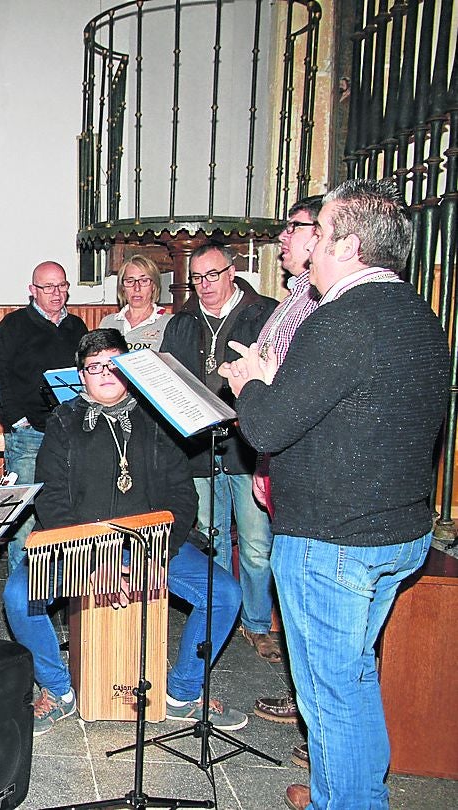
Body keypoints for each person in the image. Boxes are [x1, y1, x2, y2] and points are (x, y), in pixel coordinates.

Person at [221, 179, 448, 810]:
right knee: (353, 676)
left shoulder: (341, 319)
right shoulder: (417, 313)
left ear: (348, 246)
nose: (308, 246)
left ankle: (346, 801)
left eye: (318, 232)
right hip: (398, 531)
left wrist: (252, 382)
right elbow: (360, 411)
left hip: (335, 540)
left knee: (331, 693)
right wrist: (277, 382)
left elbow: (266, 428)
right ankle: (346, 791)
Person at [3, 329, 246, 736]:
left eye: (112, 365)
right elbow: (52, 499)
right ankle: (58, 690)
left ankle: (184, 692)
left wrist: (155, 556)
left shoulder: (159, 419)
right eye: (94, 367)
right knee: (17, 594)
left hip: (150, 543)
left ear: (130, 369)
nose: (104, 374)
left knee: (224, 594)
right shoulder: (63, 421)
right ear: (81, 376)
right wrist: (90, 560)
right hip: (78, 546)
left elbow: (183, 496)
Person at [159, 244, 277, 663]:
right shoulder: (182, 321)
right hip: (198, 448)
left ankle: (257, 623)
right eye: (197, 278)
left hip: (245, 447)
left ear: (232, 272)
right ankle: (219, 616)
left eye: (212, 275)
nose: (204, 285)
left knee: (255, 543)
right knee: (209, 536)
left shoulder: (264, 315)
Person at [248, 194, 323, 737]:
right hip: (278, 451)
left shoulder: (324, 306)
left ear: (323, 235)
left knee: (310, 592)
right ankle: (305, 699)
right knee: (293, 584)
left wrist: (251, 380)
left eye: (293, 227)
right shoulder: (295, 296)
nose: (282, 238)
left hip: (305, 462)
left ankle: (316, 726)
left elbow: (294, 387)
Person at [0, 260, 89, 571]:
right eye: (48, 287)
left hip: (70, 434)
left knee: (67, 511)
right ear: (32, 290)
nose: (56, 293)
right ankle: (20, 590)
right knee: (23, 518)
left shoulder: (77, 327)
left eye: (62, 286)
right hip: (28, 436)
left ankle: (61, 583)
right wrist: (17, 420)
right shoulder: (13, 326)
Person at [99, 254, 171, 350]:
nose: (137, 288)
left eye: (144, 281)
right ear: (122, 287)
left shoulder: (169, 323)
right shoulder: (108, 322)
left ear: (154, 286)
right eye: (130, 281)